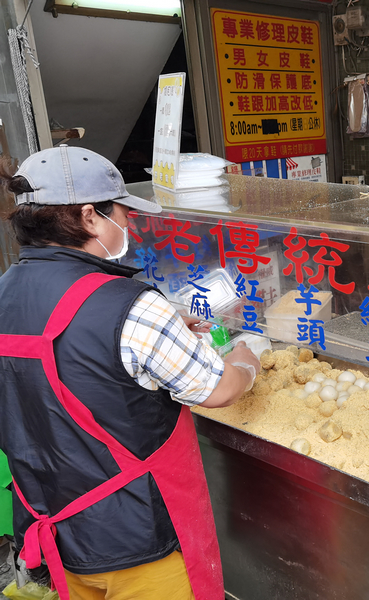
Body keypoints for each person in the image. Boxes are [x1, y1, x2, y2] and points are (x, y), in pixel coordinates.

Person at [0, 146, 262, 600]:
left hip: (58, 533)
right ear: (89, 216)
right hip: (141, 546)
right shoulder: (131, 305)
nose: (128, 223)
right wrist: (246, 362)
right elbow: (218, 390)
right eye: (121, 212)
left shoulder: (5, 292)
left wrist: (157, 327)